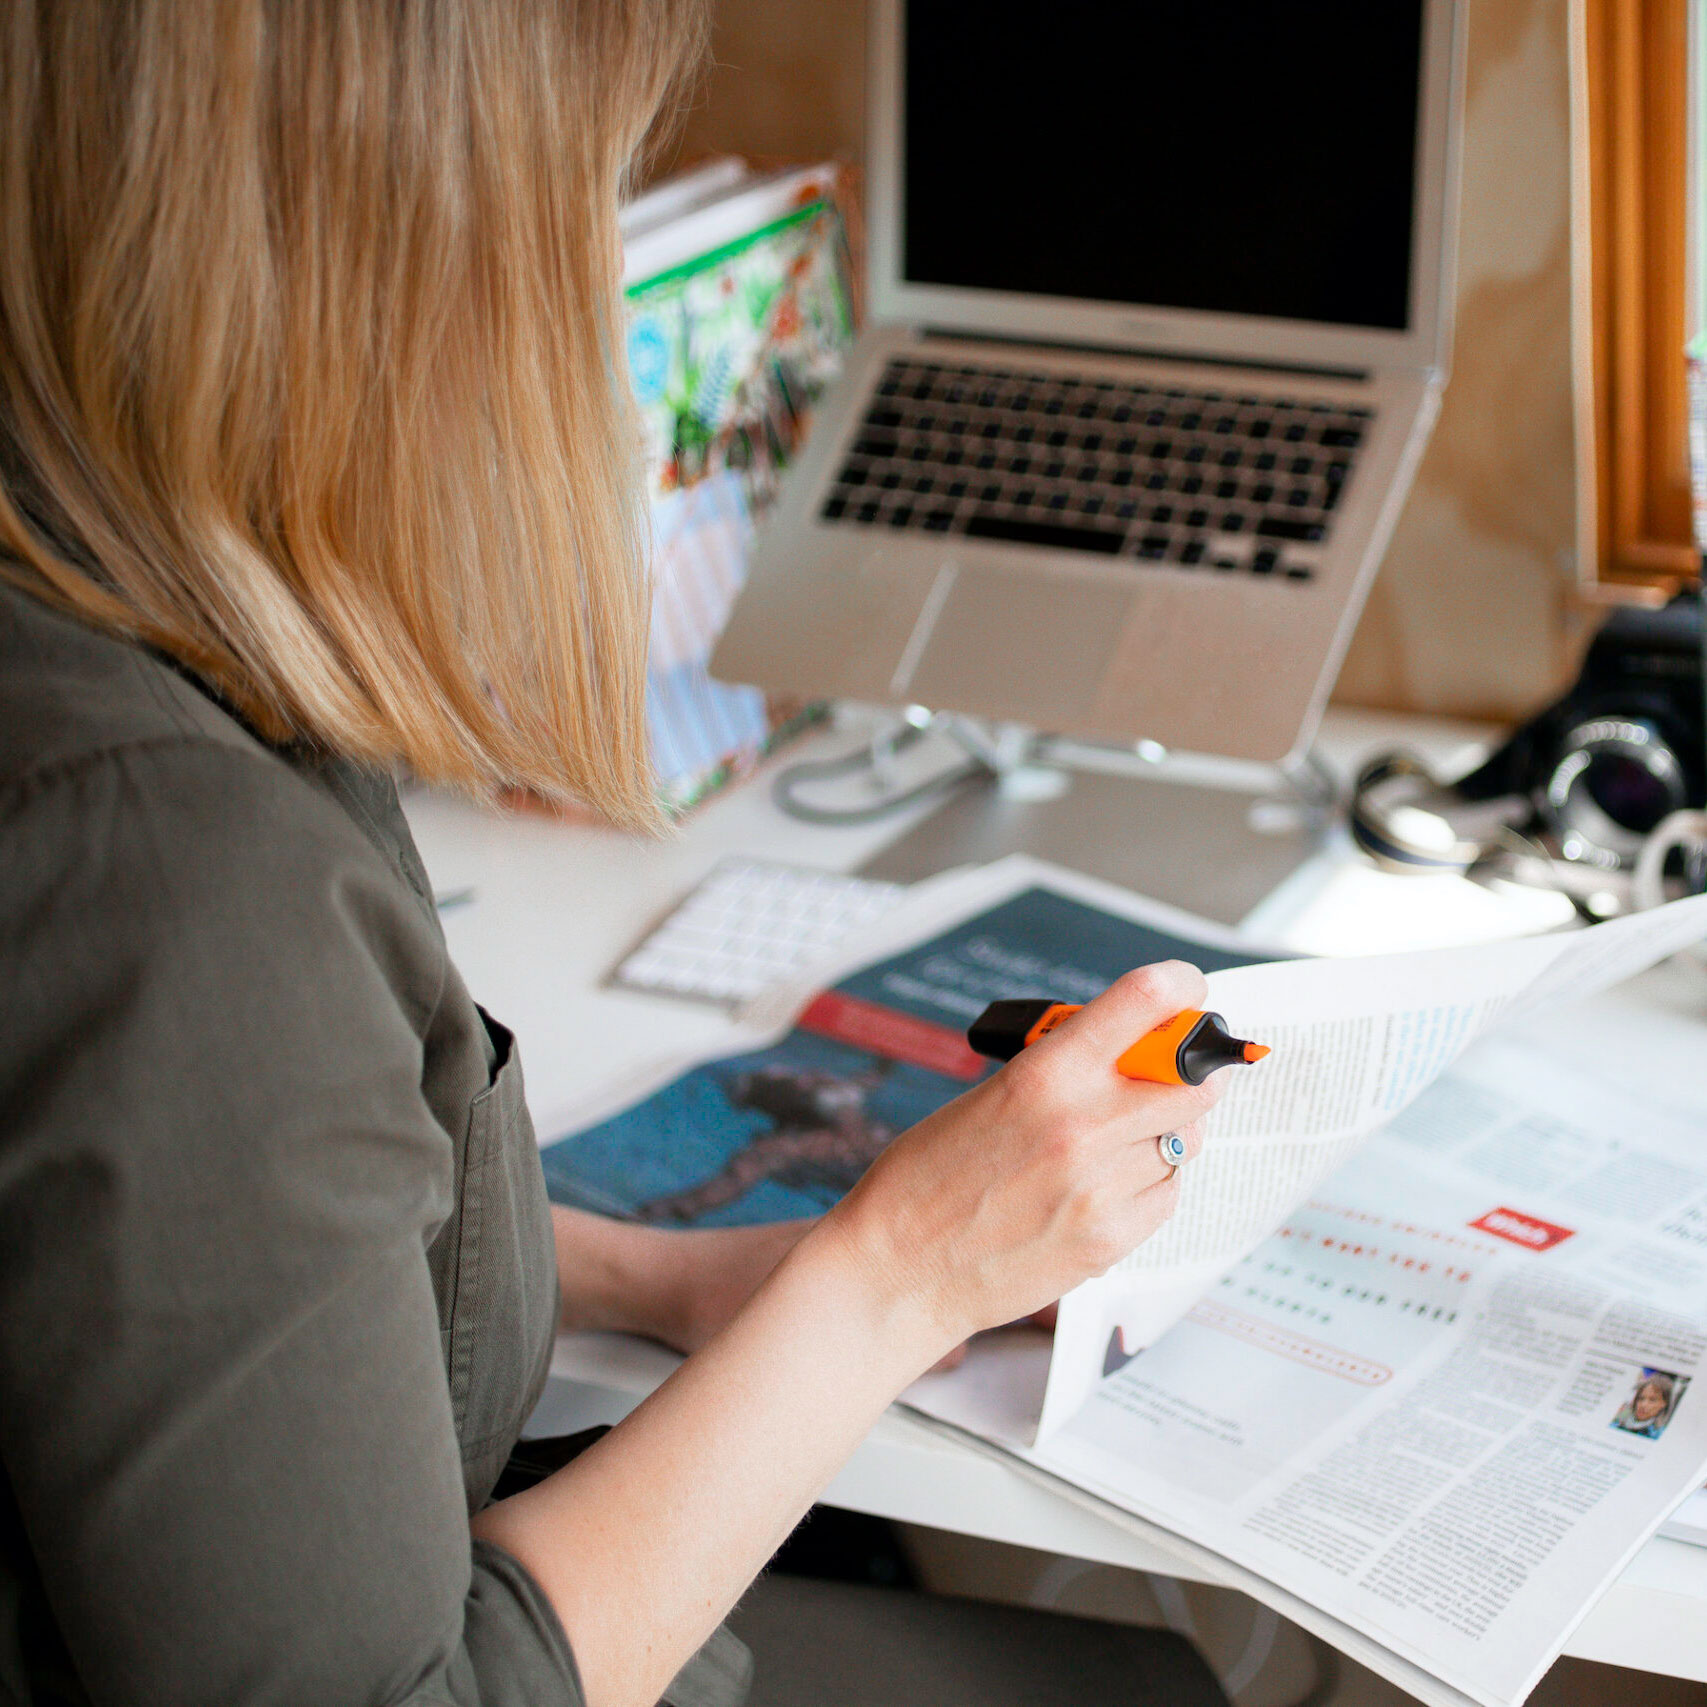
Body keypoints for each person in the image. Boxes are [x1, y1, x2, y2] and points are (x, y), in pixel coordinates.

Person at [0, 6, 1222, 1706]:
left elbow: (200, 1273)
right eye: (573, 191)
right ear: (377, 247)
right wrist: (889, 1275)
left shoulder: (117, 667)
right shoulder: (175, 875)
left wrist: (681, 1274)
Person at [1613, 1373, 1679, 1439]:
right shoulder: (1617, 1423)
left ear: (1664, 1404)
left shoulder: (1660, 1436)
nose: (1643, 1405)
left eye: (1652, 1400)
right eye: (1641, 1398)